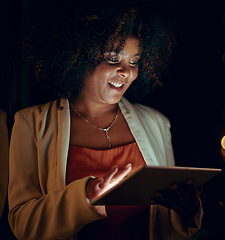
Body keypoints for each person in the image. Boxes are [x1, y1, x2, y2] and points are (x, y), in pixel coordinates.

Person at [8, 1, 202, 239]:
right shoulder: (31, 124)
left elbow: (165, 226)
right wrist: (86, 195)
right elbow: (23, 225)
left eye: (134, 61)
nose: (126, 72)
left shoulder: (157, 123)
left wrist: (185, 211)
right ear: (77, 56)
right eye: (113, 59)